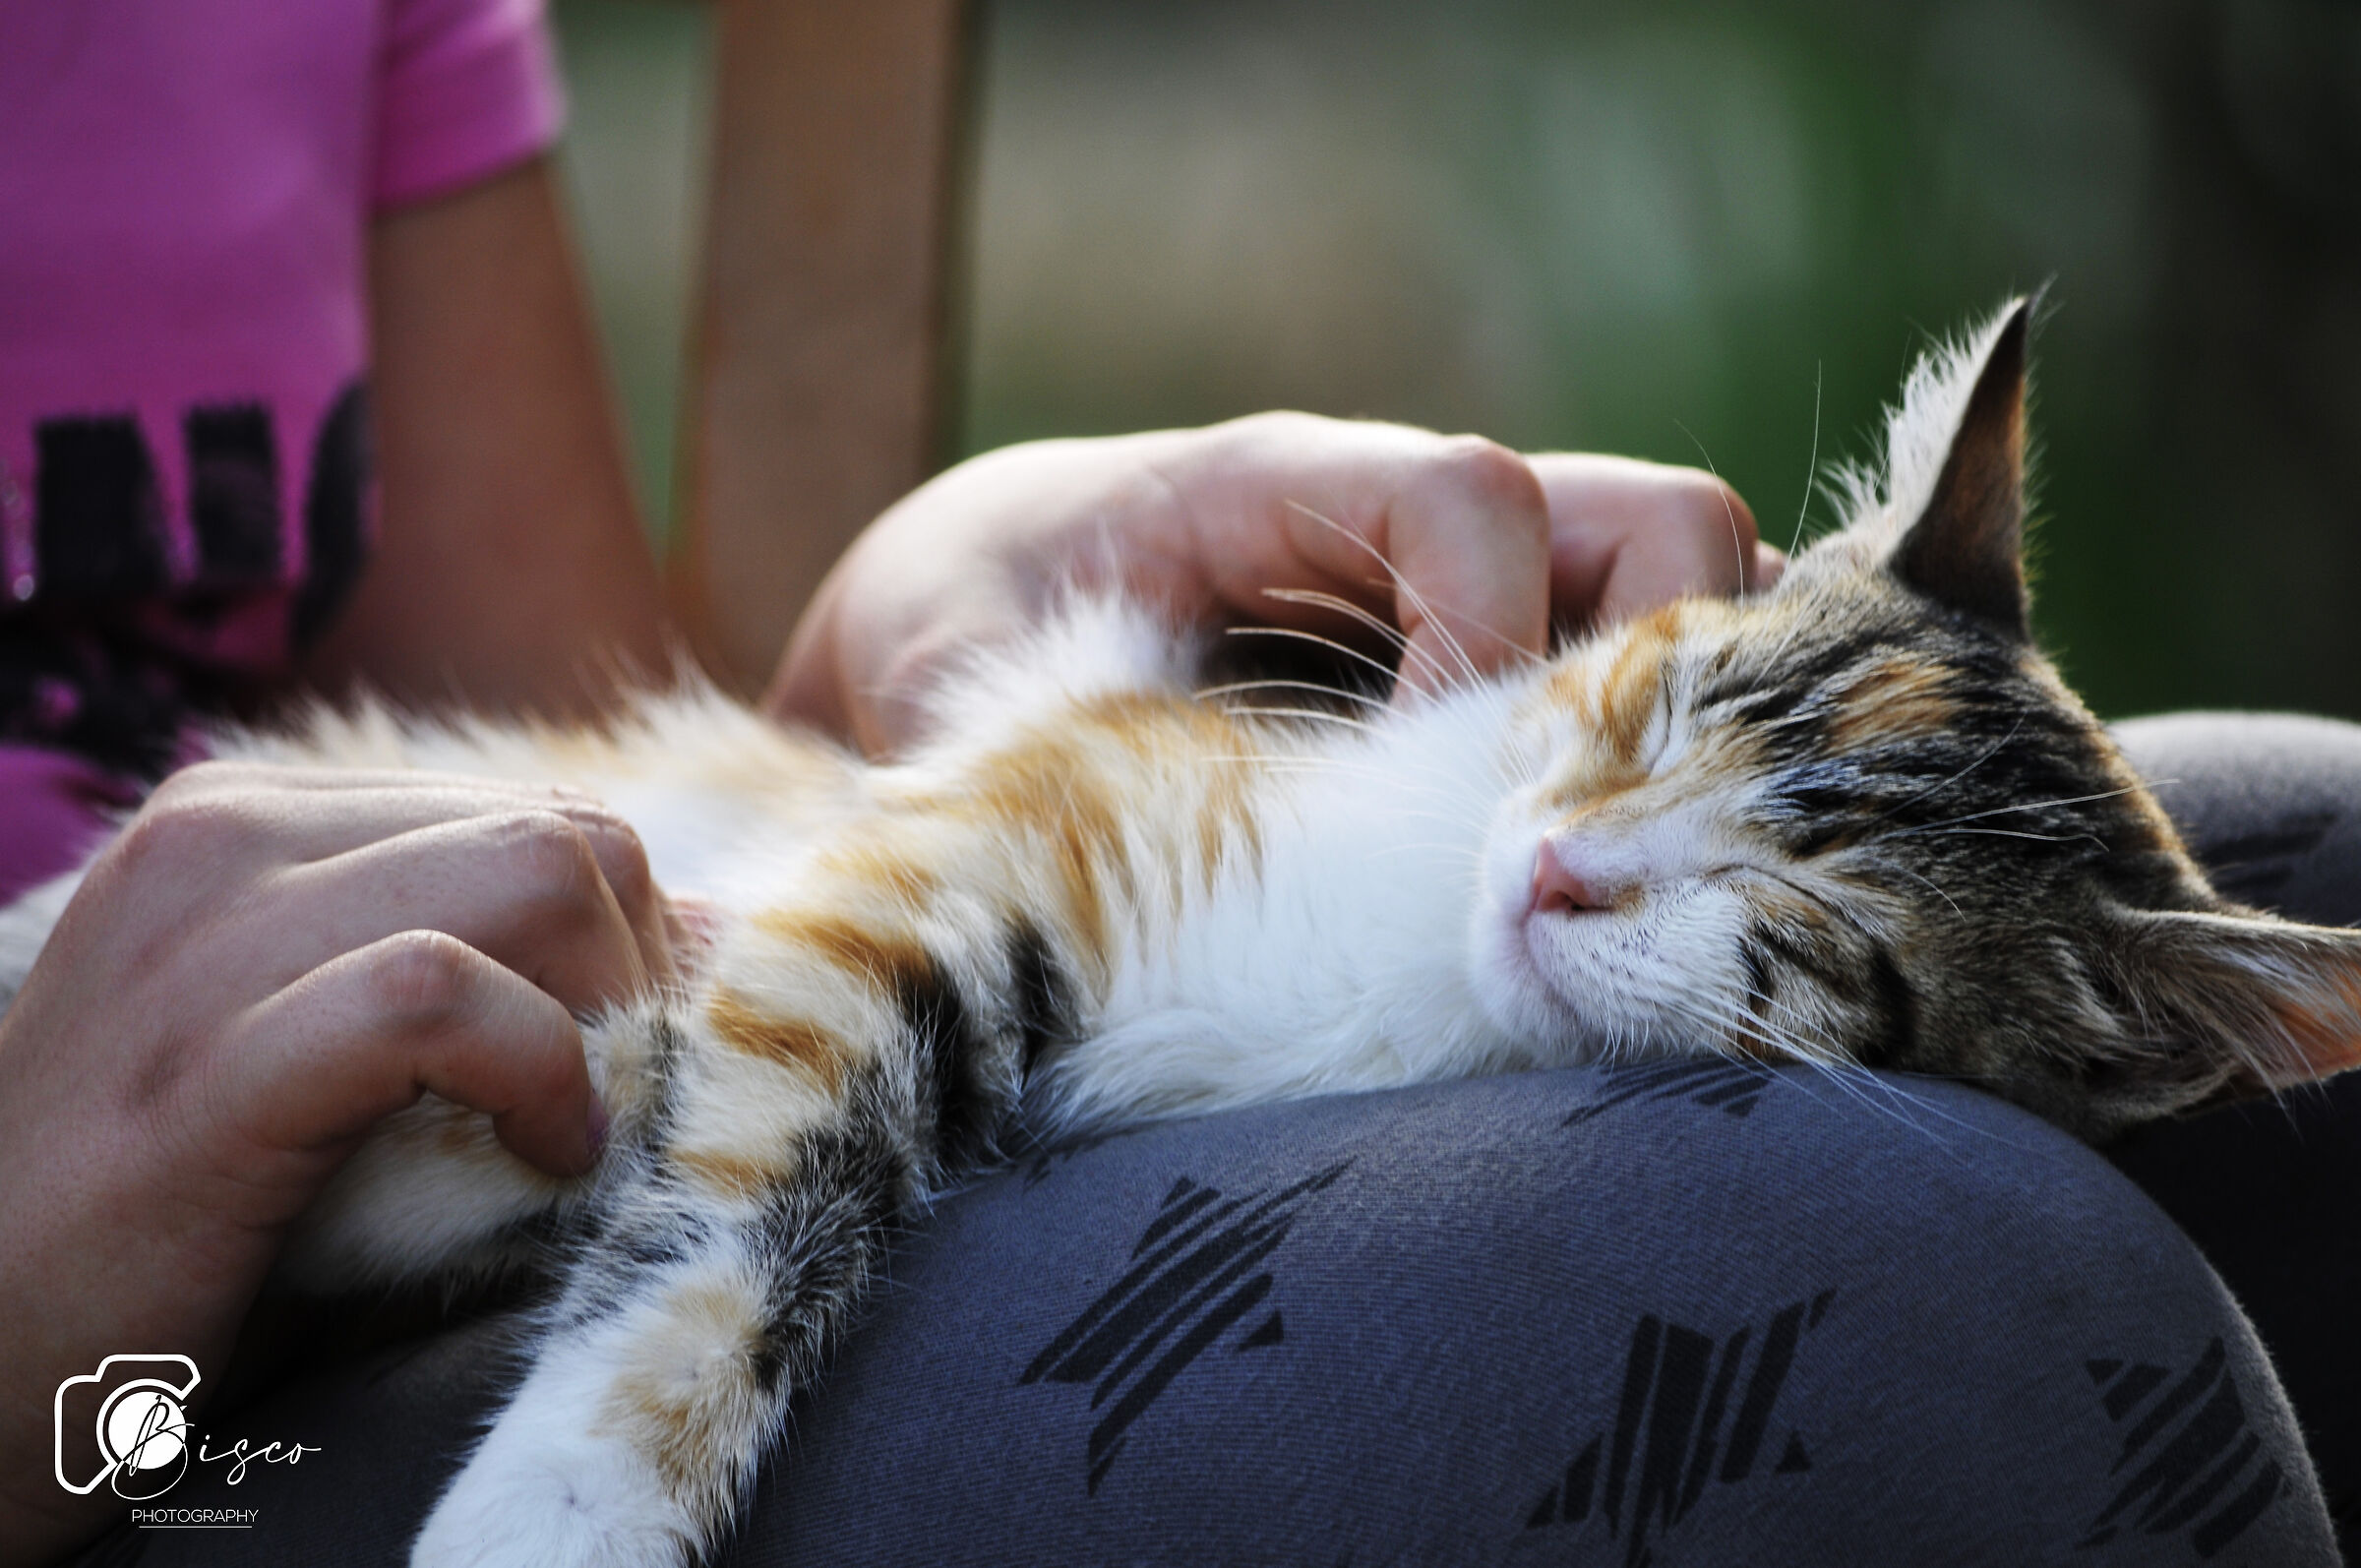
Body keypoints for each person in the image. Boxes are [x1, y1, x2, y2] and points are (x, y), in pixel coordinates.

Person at [0, 3, 1778, 1562]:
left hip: (316, 1319)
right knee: (1883, 1283)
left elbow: (554, 892)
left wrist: (922, 635)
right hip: (131, 1433)